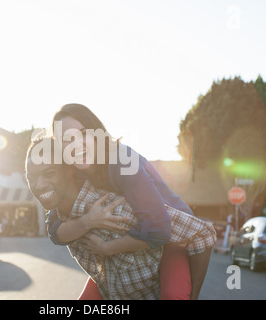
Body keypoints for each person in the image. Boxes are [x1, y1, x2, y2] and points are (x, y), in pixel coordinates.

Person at [47, 103, 214, 300]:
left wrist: (107, 248)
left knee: (173, 296)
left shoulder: (122, 161)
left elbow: (159, 230)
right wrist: (89, 221)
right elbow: (54, 228)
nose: (76, 145)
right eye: (66, 140)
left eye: (83, 133)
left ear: (97, 134)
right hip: (127, 248)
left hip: (172, 240)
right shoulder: (73, 173)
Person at [26, 140, 162, 299]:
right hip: (111, 286)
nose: (40, 184)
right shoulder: (62, 212)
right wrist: (88, 221)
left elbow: (166, 230)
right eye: (32, 177)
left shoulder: (114, 199)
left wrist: (108, 247)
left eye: (49, 173)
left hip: (165, 265)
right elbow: (55, 233)